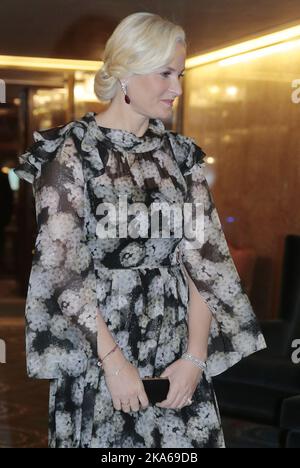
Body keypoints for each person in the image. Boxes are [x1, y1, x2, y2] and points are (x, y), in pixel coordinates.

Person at [14, 12, 266, 448]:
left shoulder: (181, 156)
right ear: (126, 71)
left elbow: (205, 263)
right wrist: (114, 363)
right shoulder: (72, 152)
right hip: (98, 348)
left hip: (175, 348)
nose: (178, 88)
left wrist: (195, 358)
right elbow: (63, 271)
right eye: (165, 73)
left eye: (181, 74)